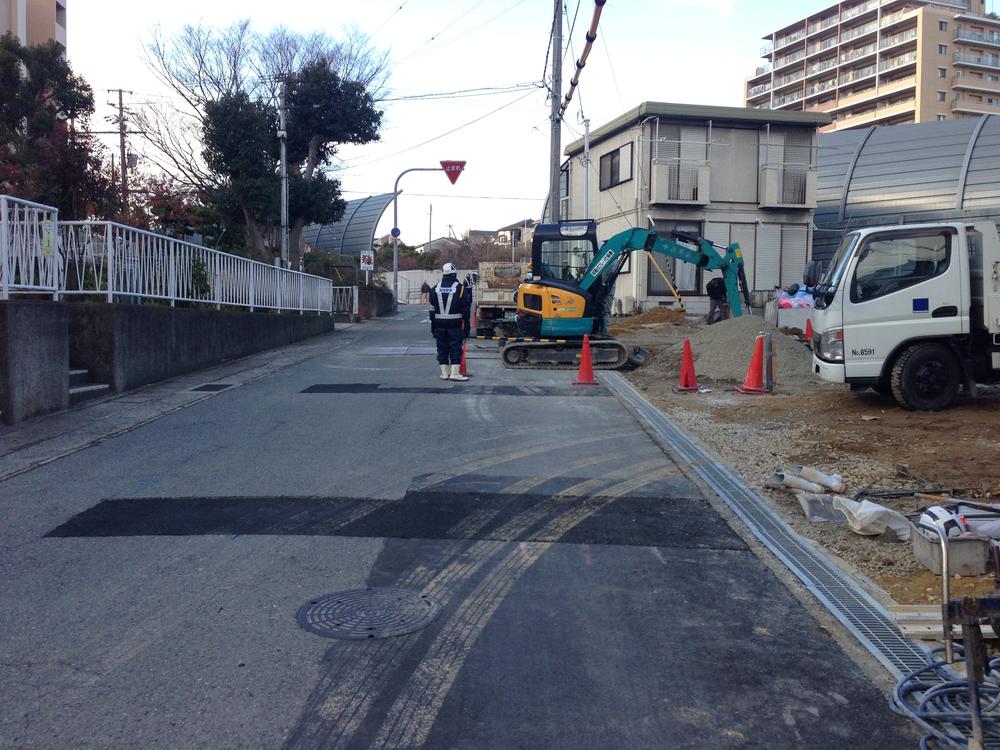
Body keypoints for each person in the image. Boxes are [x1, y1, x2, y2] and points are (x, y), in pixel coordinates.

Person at [429, 262, 471, 381]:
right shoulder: (460, 288)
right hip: (455, 324)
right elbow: (465, 310)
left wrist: (433, 327)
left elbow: (432, 311)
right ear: (454, 273)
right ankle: (455, 373)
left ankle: (444, 373)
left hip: (439, 324)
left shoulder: (435, 288)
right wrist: (467, 327)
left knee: (441, 348)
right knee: (455, 348)